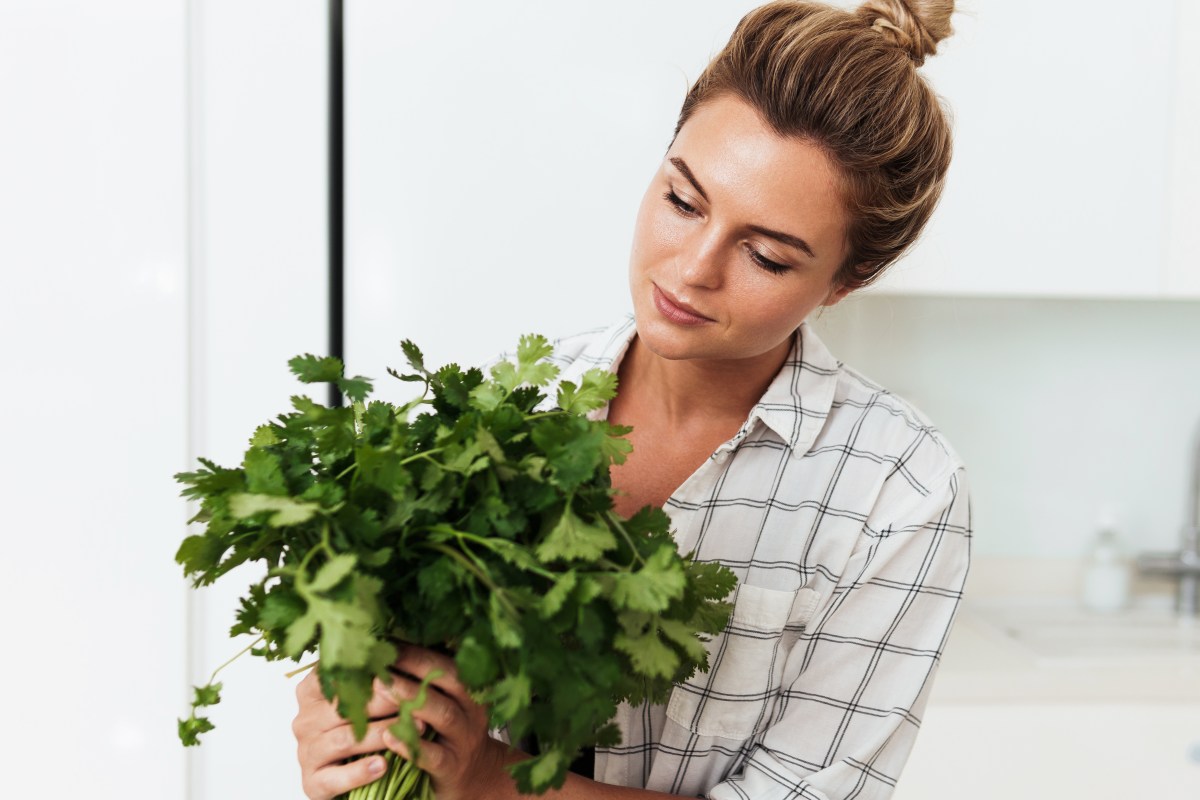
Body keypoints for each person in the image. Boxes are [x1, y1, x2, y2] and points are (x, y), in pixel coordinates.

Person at [292, 1, 970, 798]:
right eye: (683, 201)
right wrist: (361, 730)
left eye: (765, 256)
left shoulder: (899, 490)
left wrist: (485, 777)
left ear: (846, 281)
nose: (692, 269)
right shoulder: (513, 404)